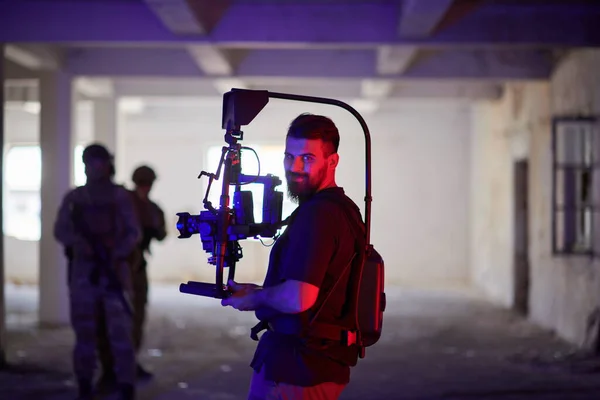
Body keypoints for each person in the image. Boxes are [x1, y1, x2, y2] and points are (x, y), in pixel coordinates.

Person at [221, 114, 364, 399]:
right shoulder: (343, 209)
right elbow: (317, 290)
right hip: (316, 364)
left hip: (297, 369)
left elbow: (301, 297)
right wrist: (260, 291)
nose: (294, 168)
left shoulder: (319, 215)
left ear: (332, 162)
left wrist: (257, 299)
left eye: (308, 159)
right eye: (290, 156)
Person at [54, 143, 140, 400]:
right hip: (84, 274)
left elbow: (133, 233)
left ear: (106, 165)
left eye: (98, 162)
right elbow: (60, 230)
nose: (93, 168)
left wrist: (115, 253)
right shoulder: (75, 198)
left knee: (121, 333)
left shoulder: (119, 196)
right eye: (89, 162)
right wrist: (80, 244)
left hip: (113, 272)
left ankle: (126, 385)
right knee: (84, 334)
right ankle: (84, 384)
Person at [97, 165, 166, 385]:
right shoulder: (123, 202)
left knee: (135, 319)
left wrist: (153, 229)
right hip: (115, 268)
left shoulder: (152, 209)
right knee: (110, 319)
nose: (146, 187)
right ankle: (109, 368)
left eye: (148, 183)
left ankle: (127, 363)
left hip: (136, 269)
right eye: (143, 182)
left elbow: (162, 233)